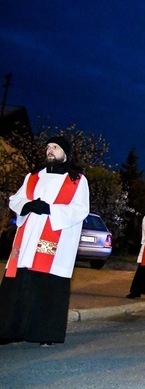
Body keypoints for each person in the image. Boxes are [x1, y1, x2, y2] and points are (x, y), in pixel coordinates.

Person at [0, 136, 90, 346]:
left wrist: (51, 209)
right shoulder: (33, 176)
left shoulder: (77, 180)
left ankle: (45, 334)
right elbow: (15, 198)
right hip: (27, 241)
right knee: (19, 284)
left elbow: (81, 209)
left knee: (46, 287)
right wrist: (28, 205)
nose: (50, 151)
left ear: (65, 153)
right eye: (48, 147)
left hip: (55, 245)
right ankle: (10, 331)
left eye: (55, 147)